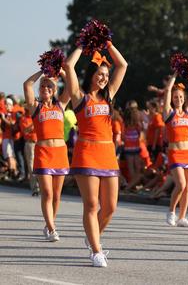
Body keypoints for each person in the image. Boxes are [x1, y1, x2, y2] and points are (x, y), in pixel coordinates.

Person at [64, 41, 128, 267]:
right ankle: (96, 251)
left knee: (110, 207)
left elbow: (123, 65)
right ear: (92, 74)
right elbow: (69, 66)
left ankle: (93, 237)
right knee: (91, 205)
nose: (103, 78)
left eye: (105, 74)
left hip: (108, 155)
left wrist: (108, 43)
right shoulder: (79, 97)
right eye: (99, 74)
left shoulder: (109, 95)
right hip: (86, 153)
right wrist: (82, 45)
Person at [23, 70, 70, 241]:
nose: (45, 88)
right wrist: (43, 71)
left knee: (57, 195)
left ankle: (50, 224)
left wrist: (62, 72)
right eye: (42, 85)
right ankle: (51, 228)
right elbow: (27, 84)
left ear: (55, 89)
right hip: (43, 153)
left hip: (60, 153)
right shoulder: (35, 106)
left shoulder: (61, 105)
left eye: (49, 85)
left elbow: (72, 86)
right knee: (48, 194)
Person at [163, 73, 188, 227]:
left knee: (187, 188)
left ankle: (182, 217)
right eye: (176, 97)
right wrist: (174, 75)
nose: (178, 99)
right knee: (181, 184)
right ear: (172, 98)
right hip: (175, 154)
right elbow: (167, 91)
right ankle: (171, 211)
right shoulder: (168, 113)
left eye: (180, 97)